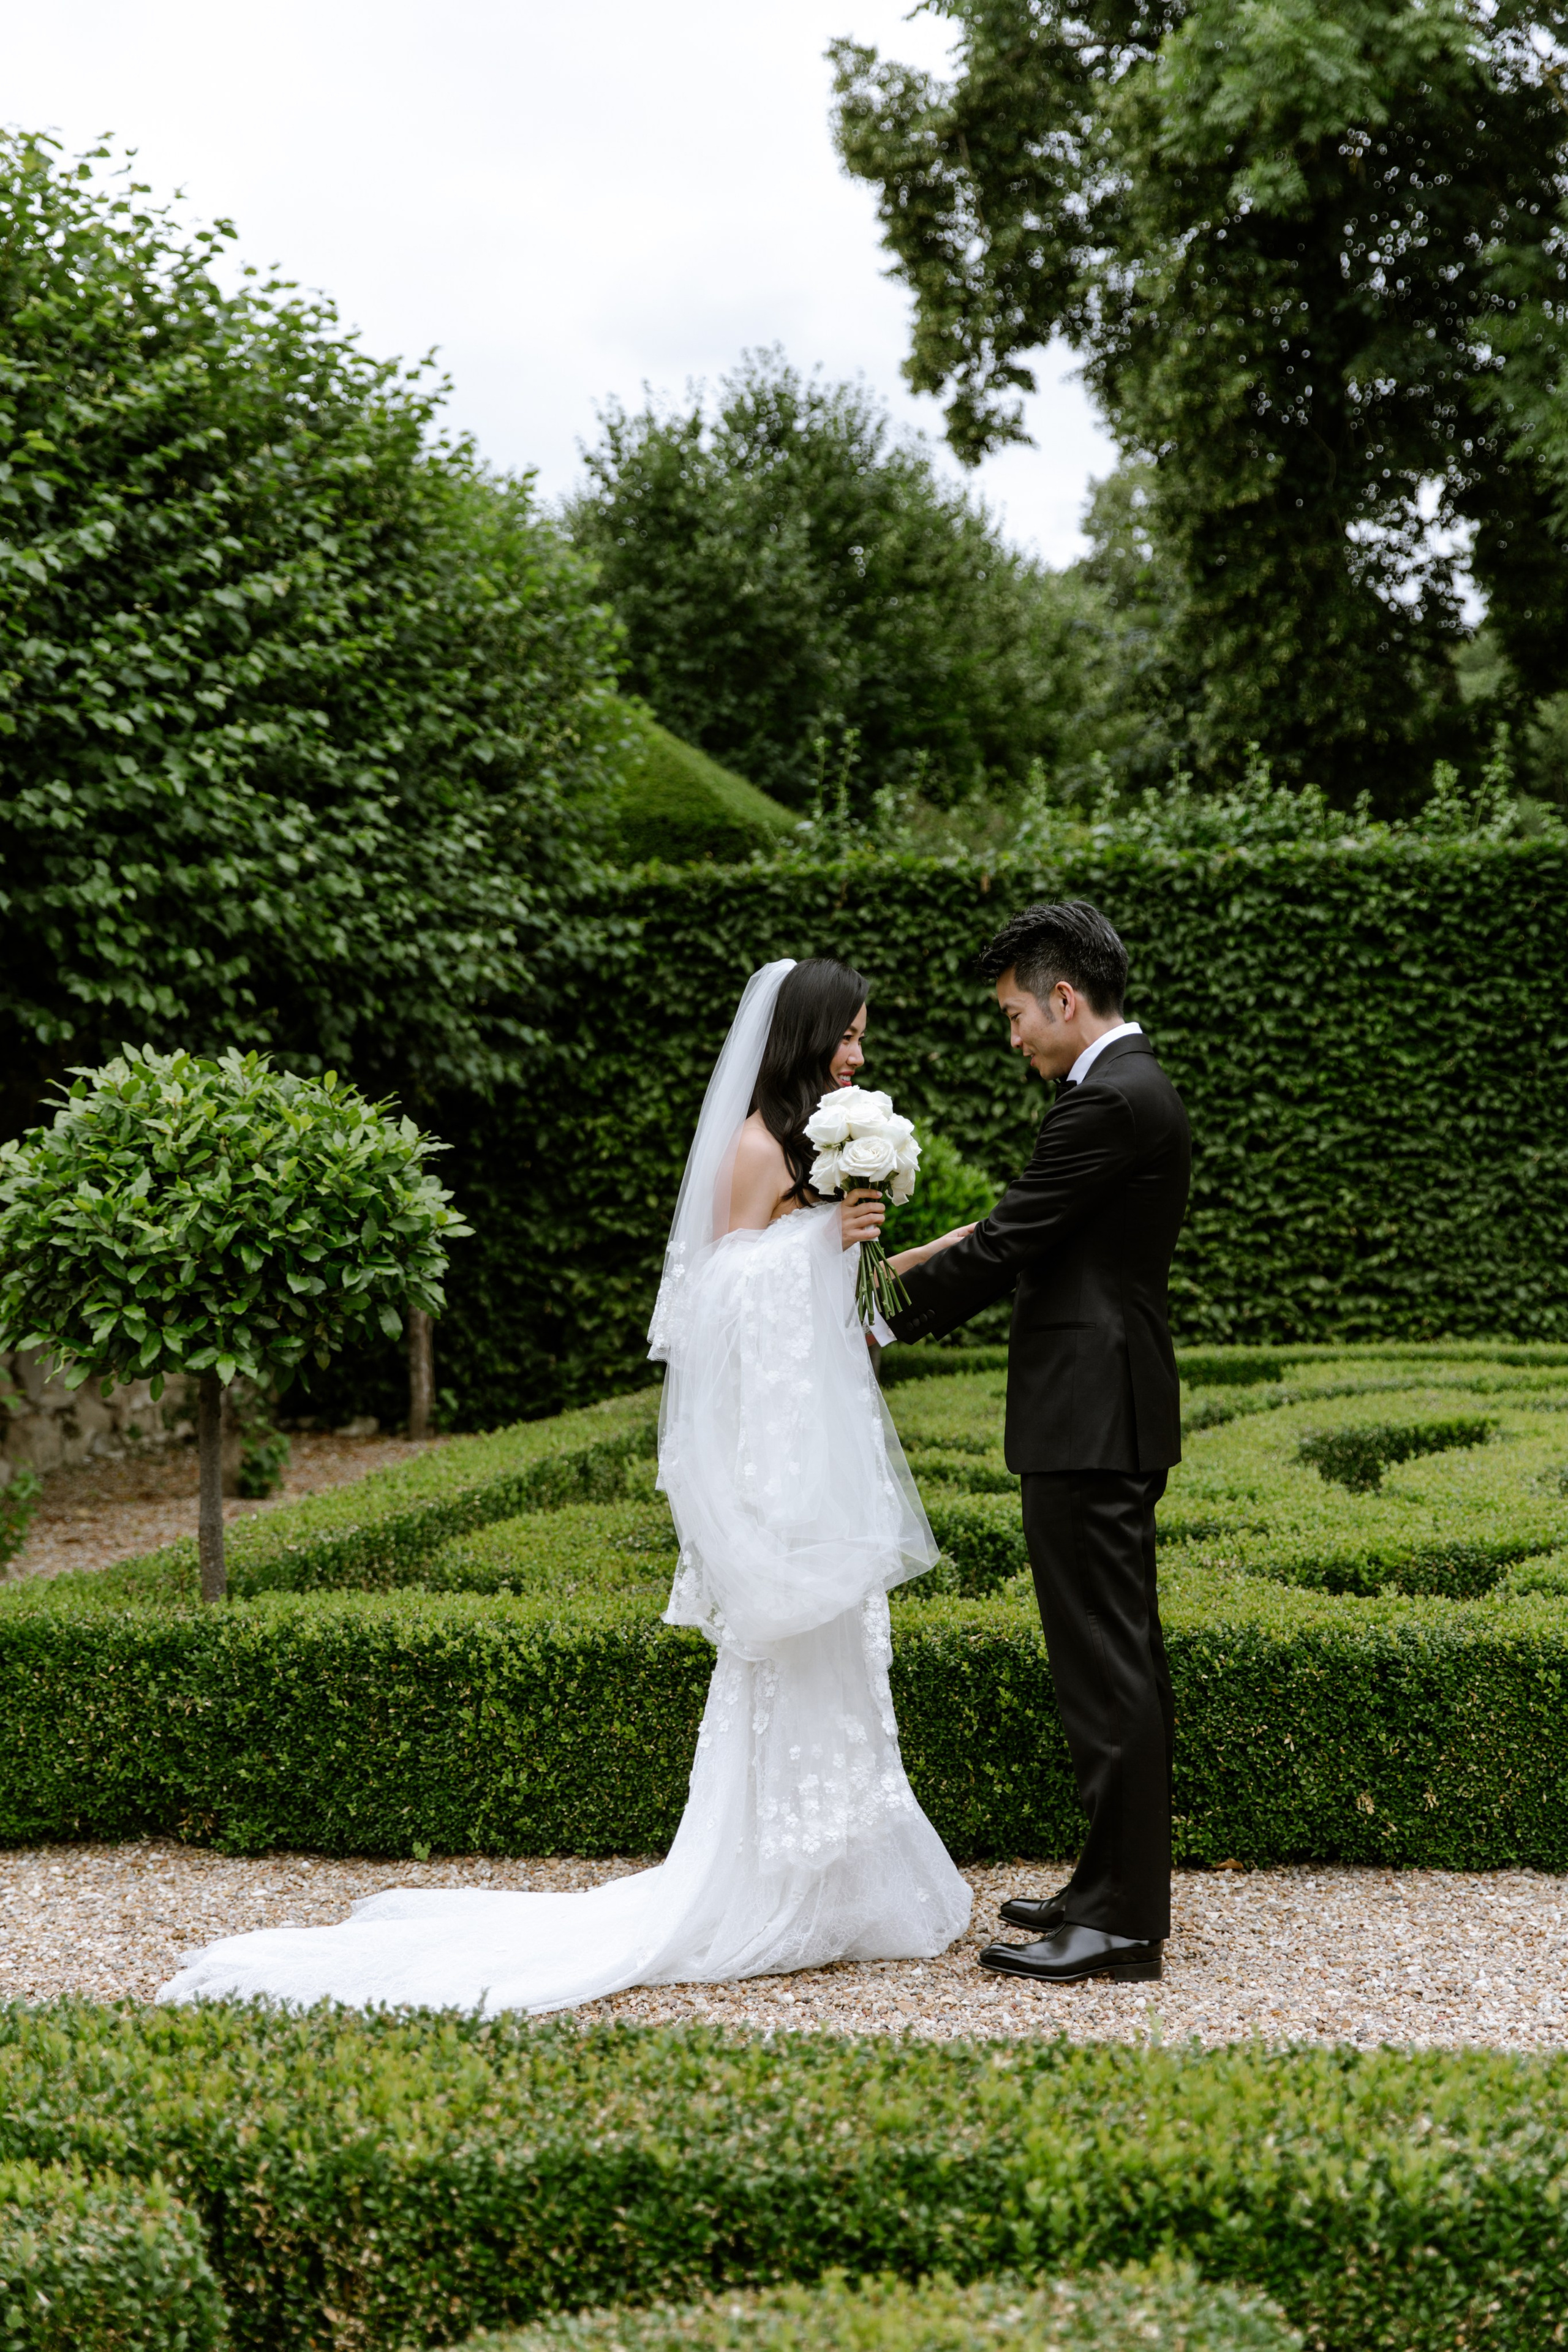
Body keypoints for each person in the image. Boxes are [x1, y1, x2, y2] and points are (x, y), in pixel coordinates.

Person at [159, 958, 973, 2014]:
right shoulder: (756, 1146)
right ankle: (768, 1887)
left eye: (864, 1036)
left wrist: (921, 1249)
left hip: (814, 1444)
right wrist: (828, 1234)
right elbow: (717, 1304)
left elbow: (830, 1291)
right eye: (849, 1034)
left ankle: (845, 1886)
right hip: (779, 1460)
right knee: (791, 1661)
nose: (860, 1052)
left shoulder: (814, 1153)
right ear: (808, 1035)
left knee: (846, 1654)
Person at [879, 901, 1191, 1987]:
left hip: (1089, 1410)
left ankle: (1116, 1924)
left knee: (1106, 1667)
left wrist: (875, 1320)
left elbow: (1011, 1241)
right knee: (1117, 1658)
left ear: (1065, 999)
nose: (1009, 1033)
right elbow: (1023, 1227)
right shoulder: (1118, 1090)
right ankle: (1112, 1893)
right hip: (1106, 1403)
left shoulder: (1106, 1100)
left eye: (1014, 1012)